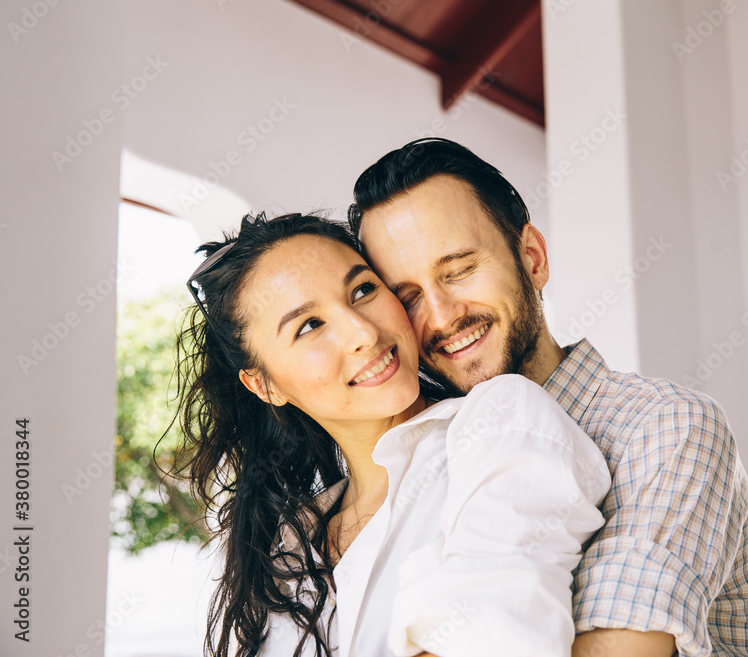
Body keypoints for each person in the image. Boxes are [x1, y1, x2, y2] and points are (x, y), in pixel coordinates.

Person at [348, 138, 748, 657]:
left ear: (532, 258)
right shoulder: (425, 460)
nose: (442, 317)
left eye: (460, 269)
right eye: (408, 296)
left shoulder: (665, 428)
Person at [172, 211, 611, 657]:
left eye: (362, 290)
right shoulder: (289, 547)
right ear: (265, 385)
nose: (363, 332)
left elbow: (492, 630)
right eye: (310, 325)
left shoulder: (501, 425)